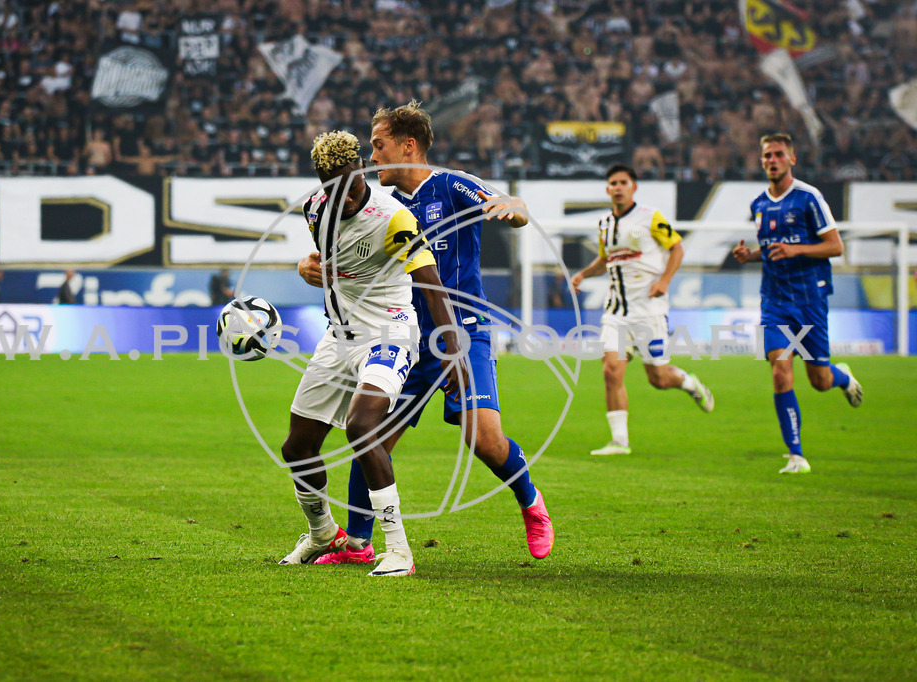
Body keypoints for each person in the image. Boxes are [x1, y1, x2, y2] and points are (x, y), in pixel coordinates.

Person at [298, 101, 554, 562]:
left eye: (379, 146)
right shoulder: (381, 206)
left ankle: (531, 503)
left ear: (407, 146)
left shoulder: (452, 186)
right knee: (370, 436)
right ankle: (357, 544)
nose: (373, 157)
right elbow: (337, 253)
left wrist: (512, 208)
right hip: (408, 336)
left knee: (483, 437)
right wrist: (308, 264)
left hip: (462, 330)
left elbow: (515, 211)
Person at [279, 130, 467, 577]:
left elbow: (430, 284)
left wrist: (451, 351)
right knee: (297, 447)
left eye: (347, 182)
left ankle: (398, 550)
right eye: (330, 186)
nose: (340, 195)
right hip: (338, 336)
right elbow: (328, 264)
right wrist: (307, 268)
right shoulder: (314, 209)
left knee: (363, 426)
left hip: (389, 331)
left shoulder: (393, 217)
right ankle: (323, 532)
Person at [732, 133, 862, 474]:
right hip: (773, 302)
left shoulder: (808, 198)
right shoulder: (758, 204)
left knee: (818, 380)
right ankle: (796, 455)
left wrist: (797, 249)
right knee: (780, 370)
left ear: (792, 159)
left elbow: (835, 246)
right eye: (766, 155)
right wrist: (751, 256)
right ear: (761, 161)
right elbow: (775, 248)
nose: (772, 160)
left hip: (809, 300)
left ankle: (842, 377)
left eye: (778, 154)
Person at [571, 164, 714, 456]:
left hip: (648, 310)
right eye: (613, 183)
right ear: (607, 189)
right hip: (616, 312)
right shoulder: (604, 225)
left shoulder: (650, 217)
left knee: (658, 379)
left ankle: (688, 382)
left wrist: (664, 280)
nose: (618, 187)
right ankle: (619, 442)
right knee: (611, 370)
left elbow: (677, 248)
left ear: (633, 187)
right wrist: (583, 274)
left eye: (623, 182)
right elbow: (604, 261)